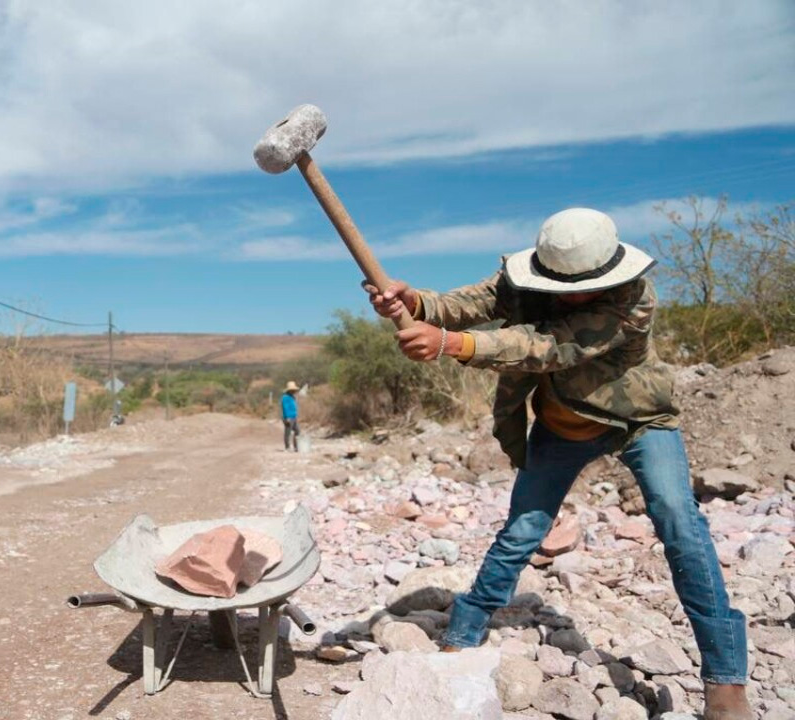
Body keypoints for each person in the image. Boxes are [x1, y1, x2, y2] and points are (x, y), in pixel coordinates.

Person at [365, 208, 751, 720]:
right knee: (523, 530)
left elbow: (549, 346)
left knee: (680, 523)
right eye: (560, 287)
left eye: (581, 289)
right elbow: (463, 305)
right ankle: (464, 632)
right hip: (561, 423)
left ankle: (726, 681)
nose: (568, 295)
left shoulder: (633, 301)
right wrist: (413, 301)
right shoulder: (525, 279)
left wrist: (452, 345)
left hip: (639, 421)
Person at [281, 380, 300, 451]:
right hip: (289, 417)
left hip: (294, 417)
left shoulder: (292, 397)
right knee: (287, 432)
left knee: (297, 431)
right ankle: (287, 447)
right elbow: (285, 408)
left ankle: (296, 446)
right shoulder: (285, 398)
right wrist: (287, 417)